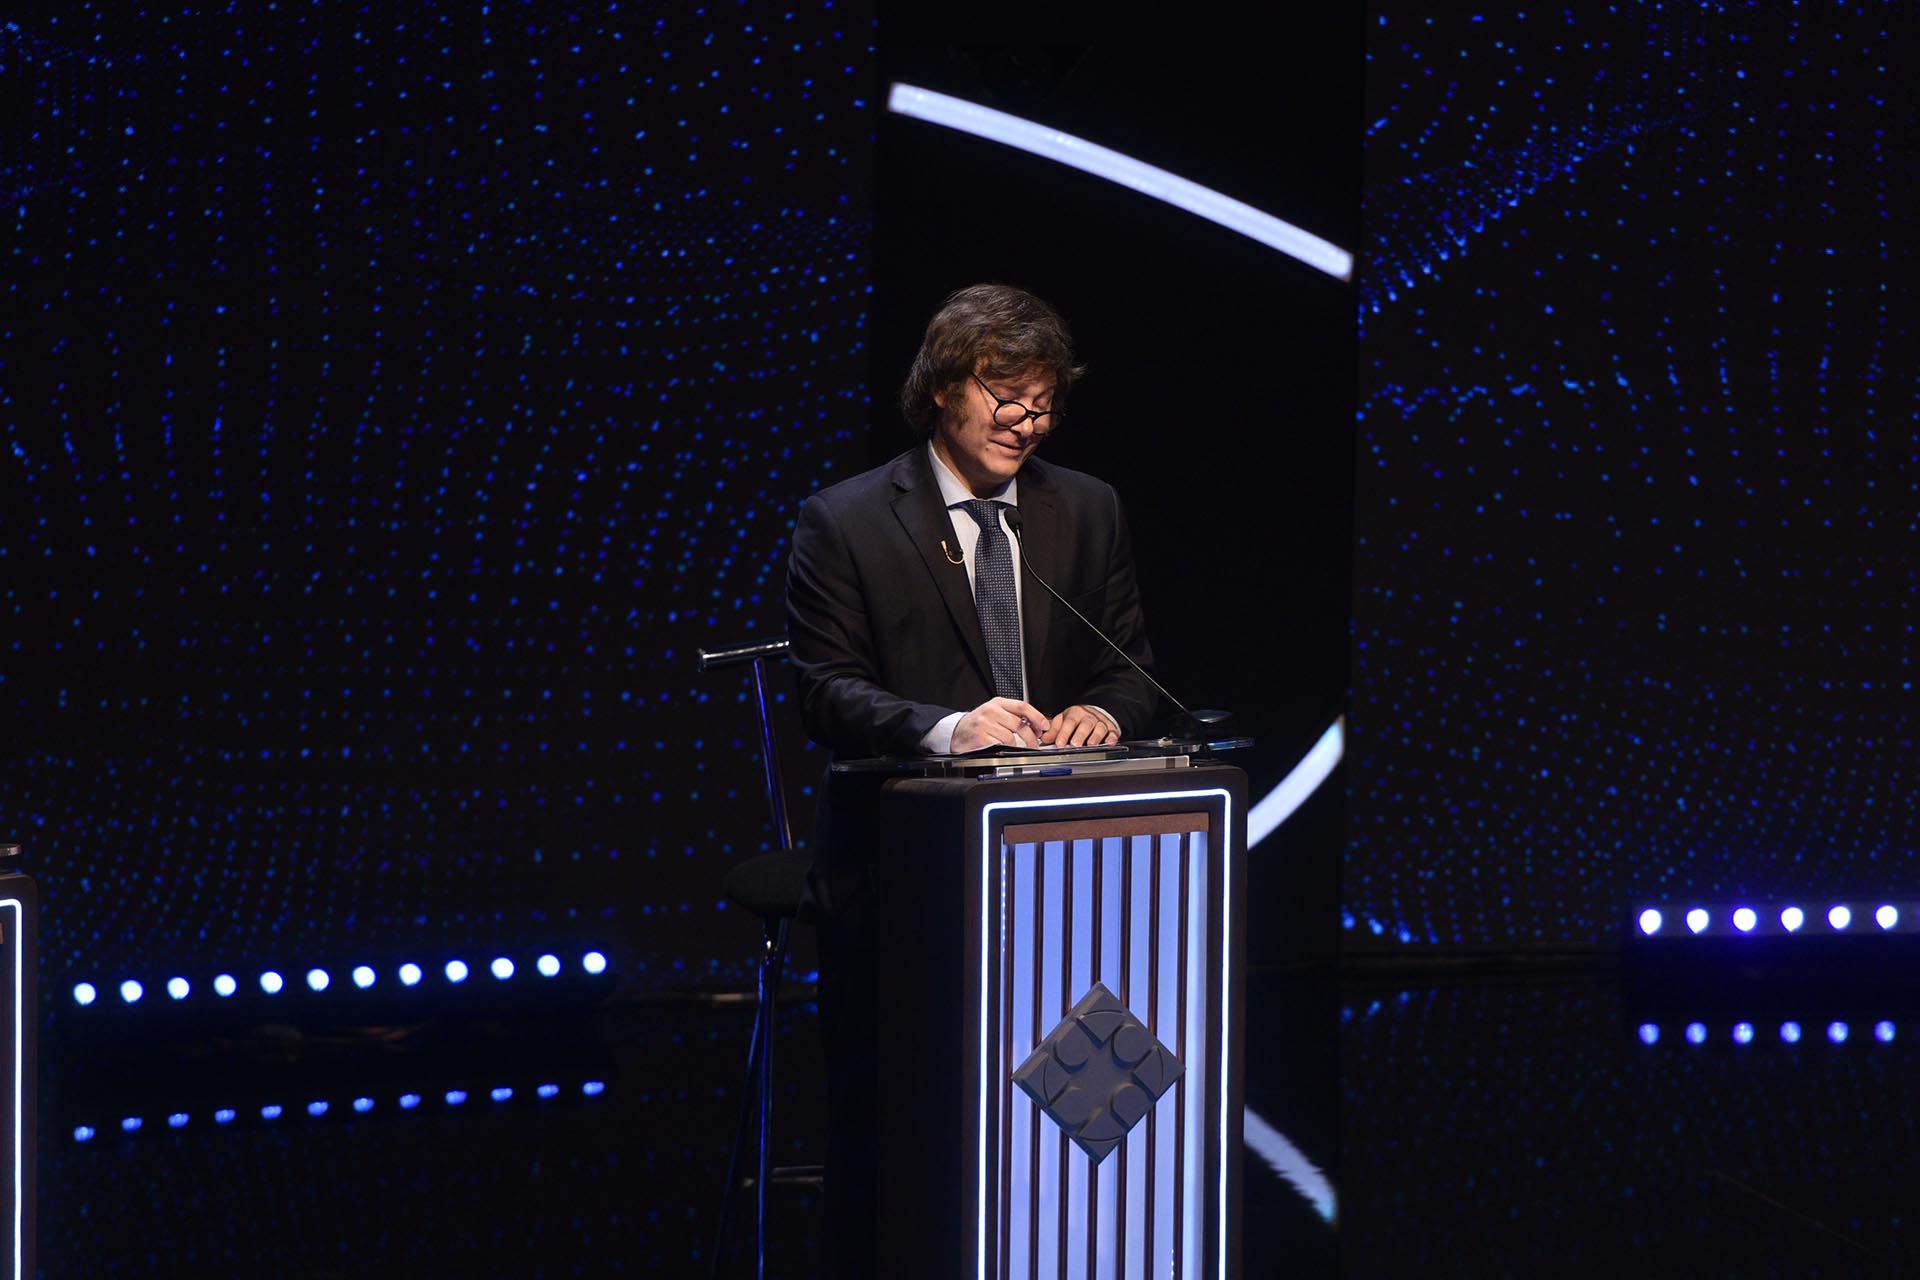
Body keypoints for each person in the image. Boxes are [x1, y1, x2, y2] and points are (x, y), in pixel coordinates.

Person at [785, 282, 1163, 1277]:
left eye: (1044, 403)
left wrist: (1105, 714)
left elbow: (1130, 669)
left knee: (1066, 1119)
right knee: (900, 1141)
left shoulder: (1088, 508)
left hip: (1062, 877)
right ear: (943, 389)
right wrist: (952, 729)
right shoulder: (845, 520)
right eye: (1006, 397)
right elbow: (825, 693)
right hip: (902, 873)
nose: (1027, 422)